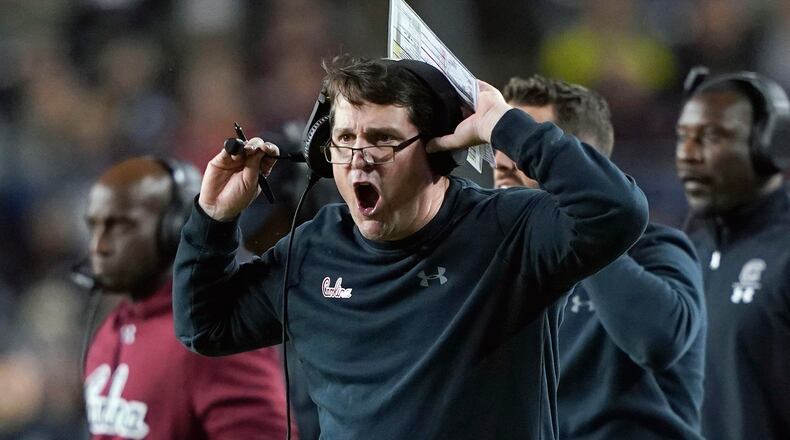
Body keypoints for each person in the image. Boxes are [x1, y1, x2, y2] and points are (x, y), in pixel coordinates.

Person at [172, 56, 648, 439]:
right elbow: (205, 326)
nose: (359, 159)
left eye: (382, 141)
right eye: (343, 140)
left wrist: (505, 125)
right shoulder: (315, 247)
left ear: (436, 152)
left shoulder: (510, 228)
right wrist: (214, 218)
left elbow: (617, 211)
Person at [496, 75, 706, 439]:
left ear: (580, 166)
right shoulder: (504, 265)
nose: (501, 163)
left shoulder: (656, 250)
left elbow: (656, 341)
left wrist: (589, 230)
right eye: (498, 145)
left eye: (524, 148)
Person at [81, 156, 293, 439]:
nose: (98, 246)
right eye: (93, 226)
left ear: (175, 227)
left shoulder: (214, 336)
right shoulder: (112, 327)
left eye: (118, 226)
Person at [676, 69, 790, 439]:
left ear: (769, 145)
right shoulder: (686, 251)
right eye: (683, 137)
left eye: (711, 137)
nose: (688, 154)